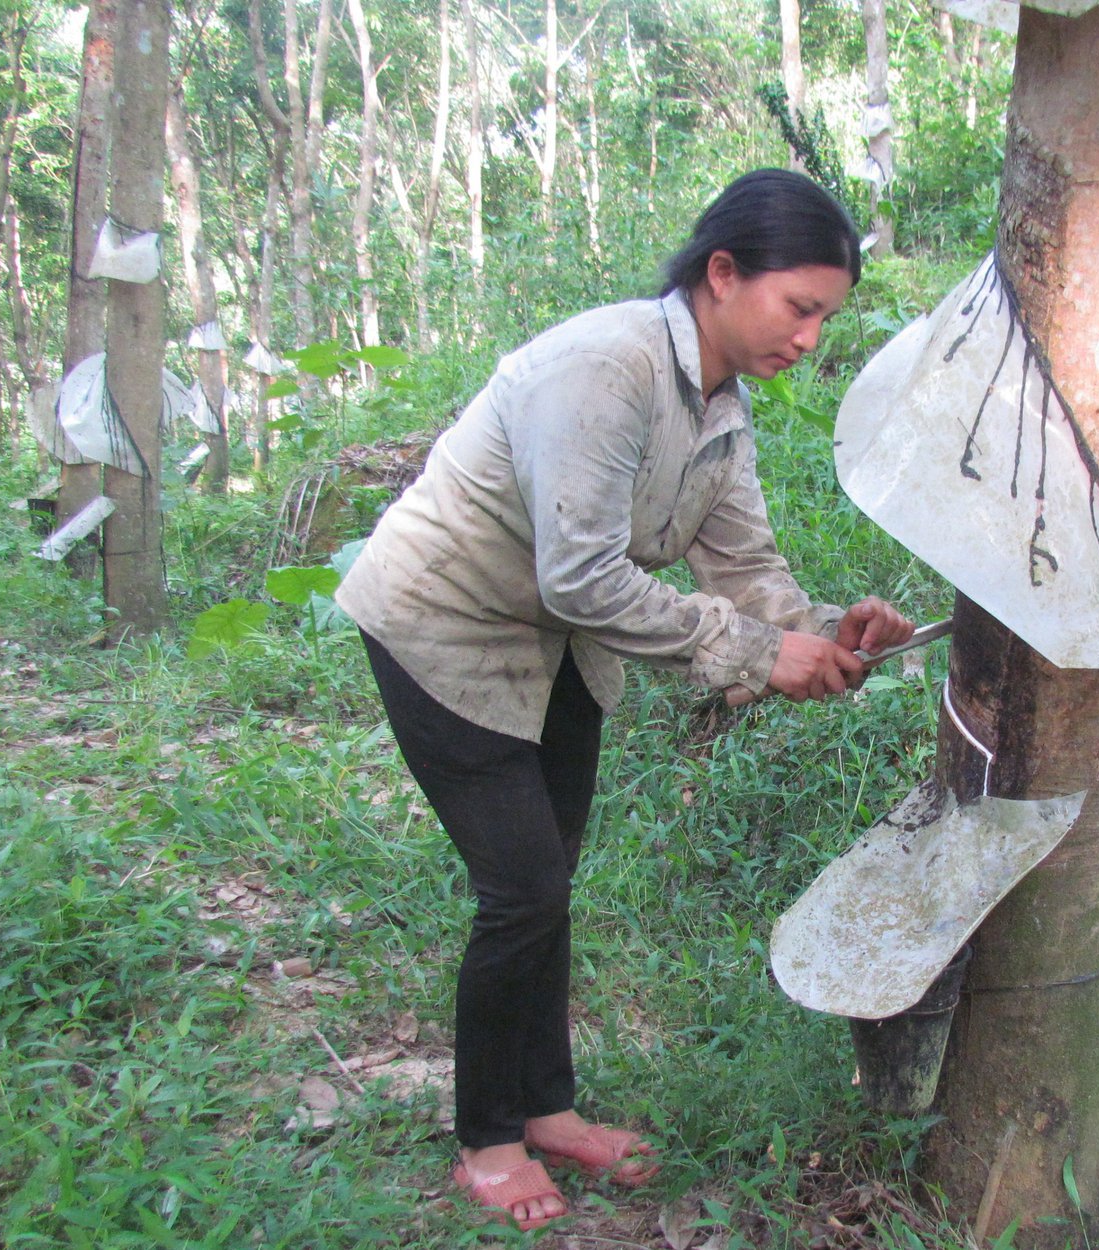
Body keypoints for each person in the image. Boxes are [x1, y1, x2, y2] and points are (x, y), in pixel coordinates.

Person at [334, 169, 914, 1232]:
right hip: (441, 622)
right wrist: (749, 650)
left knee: (549, 876)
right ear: (723, 271)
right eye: (799, 307)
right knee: (520, 890)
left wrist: (821, 628)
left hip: (553, 646)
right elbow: (584, 578)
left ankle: (546, 1106)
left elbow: (746, 571)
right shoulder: (606, 365)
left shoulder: (719, 404)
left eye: (824, 317)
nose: (809, 339)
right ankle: (486, 1137)